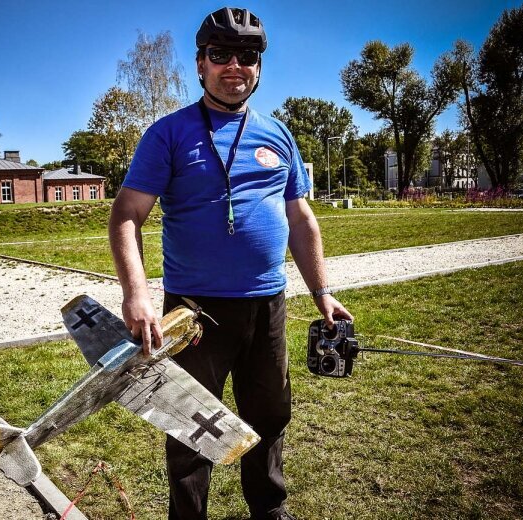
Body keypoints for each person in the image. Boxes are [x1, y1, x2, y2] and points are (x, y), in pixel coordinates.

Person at [108, 7, 352, 520]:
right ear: (200, 64)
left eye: (248, 56)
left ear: (259, 67)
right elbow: (127, 213)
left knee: (269, 415)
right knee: (190, 425)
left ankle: (269, 509)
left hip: (266, 306)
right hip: (194, 312)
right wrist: (136, 294)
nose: (234, 65)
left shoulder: (278, 134)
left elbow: (302, 219)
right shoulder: (168, 133)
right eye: (221, 55)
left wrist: (321, 292)